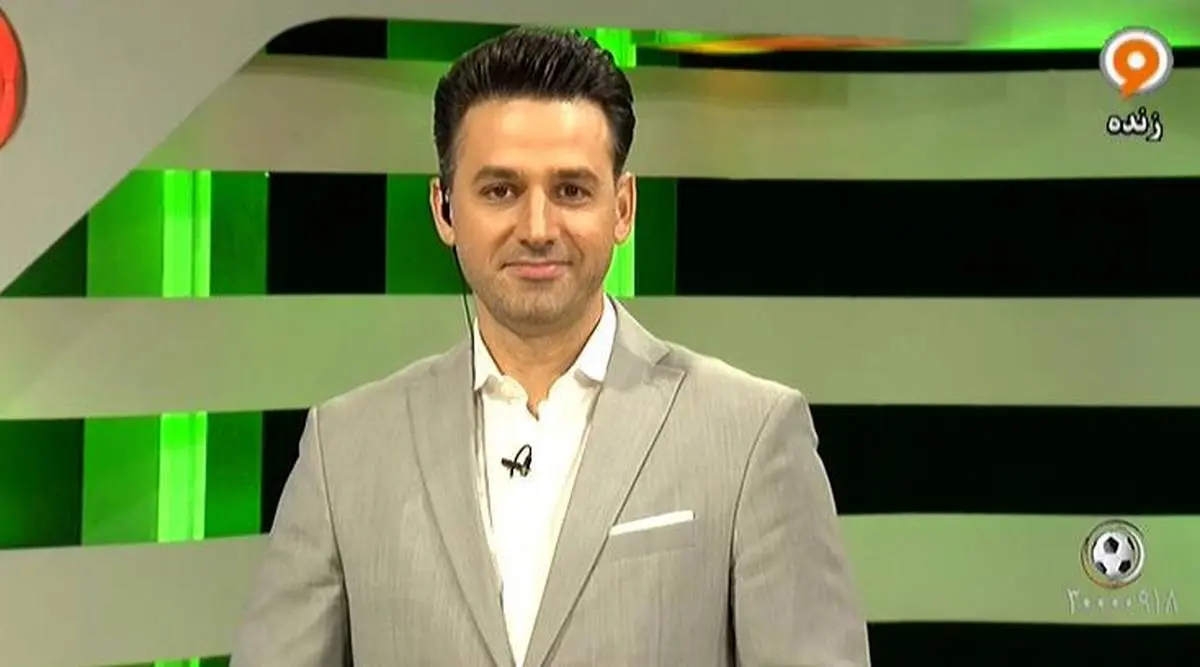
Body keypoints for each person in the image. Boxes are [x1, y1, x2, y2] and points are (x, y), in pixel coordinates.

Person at [230, 26, 869, 667]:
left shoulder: (751, 435)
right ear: (444, 210)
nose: (537, 229)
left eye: (571, 190)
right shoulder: (344, 449)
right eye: (500, 190)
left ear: (623, 208)